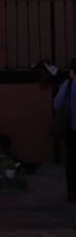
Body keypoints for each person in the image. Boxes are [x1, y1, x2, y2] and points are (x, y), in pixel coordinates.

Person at [53, 58, 76, 202]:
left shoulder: (68, 84)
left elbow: (56, 104)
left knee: (71, 161)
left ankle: (72, 193)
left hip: (71, 129)